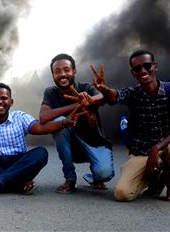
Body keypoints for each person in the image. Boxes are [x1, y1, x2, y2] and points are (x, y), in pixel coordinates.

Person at [91, 49, 170, 201]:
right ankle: (157, 180)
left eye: (147, 66)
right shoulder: (134, 93)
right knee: (122, 194)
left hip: (167, 147)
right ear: (133, 73)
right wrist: (103, 89)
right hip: (141, 151)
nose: (143, 70)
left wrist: (156, 149)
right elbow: (116, 96)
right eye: (137, 68)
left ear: (155, 66)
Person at [39, 53, 115, 194]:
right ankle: (70, 179)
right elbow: (43, 117)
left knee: (105, 174)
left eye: (67, 70)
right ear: (53, 75)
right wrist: (76, 105)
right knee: (59, 122)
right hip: (70, 147)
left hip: (94, 143)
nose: (62, 74)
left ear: (74, 71)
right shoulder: (51, 92)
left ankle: (94, 177)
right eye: (57, 71)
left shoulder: (85, 88)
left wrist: (91, 100)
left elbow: (102, 98)